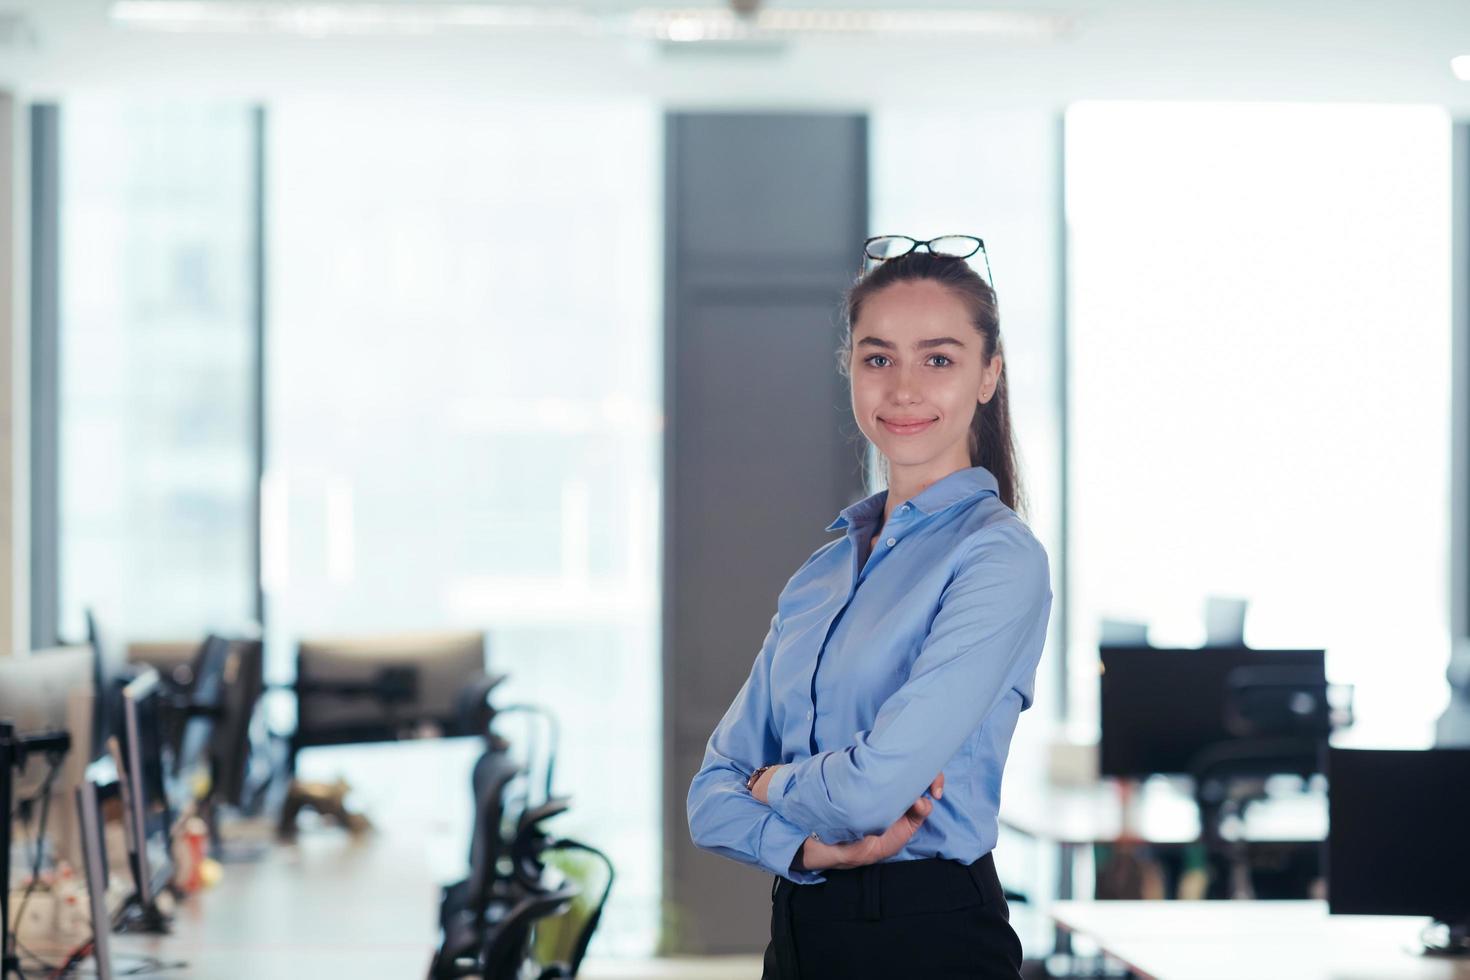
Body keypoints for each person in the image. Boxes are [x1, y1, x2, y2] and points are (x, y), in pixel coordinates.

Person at [686, 236, 1053, 980]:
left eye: (939, 359)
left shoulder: (998, 558)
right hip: (798, 931)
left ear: (989, 376)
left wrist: (773, 785)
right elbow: (707, 800)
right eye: (878, 357)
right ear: (850, 371)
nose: (904, 388)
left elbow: (871, 793)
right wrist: (808, 848)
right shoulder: (822, 573)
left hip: (928, 942)